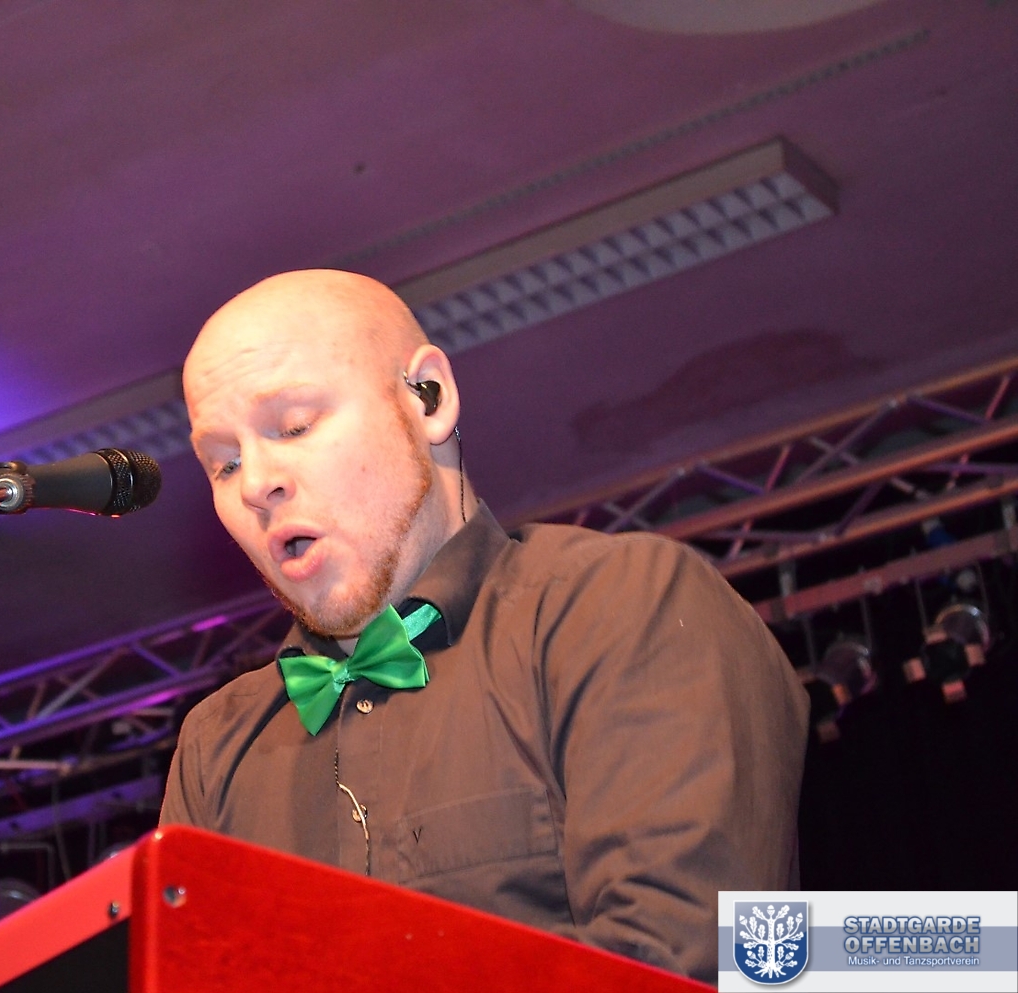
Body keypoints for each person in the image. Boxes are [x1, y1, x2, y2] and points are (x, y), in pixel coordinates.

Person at [159, 268, 807, 982]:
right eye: (224, 464)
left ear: (427, 397)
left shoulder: (617, 605)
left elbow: (678, 960)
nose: (257, 484)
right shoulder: (216, 749)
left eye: (294, 426)